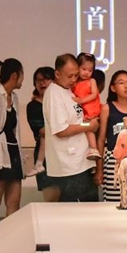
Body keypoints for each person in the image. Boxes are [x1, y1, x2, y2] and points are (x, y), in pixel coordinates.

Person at [43, 53, 99, 202]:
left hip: (81, 161)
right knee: (77, 212)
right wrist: (89, 126)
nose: (74, 80)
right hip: (70, 165)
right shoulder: (54, 94)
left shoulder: (69, 90)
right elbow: (61, 130)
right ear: (57, 73)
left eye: (76, 75)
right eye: (70, 76)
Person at [0, 59, 25, 228]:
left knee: (14, 201)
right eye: (22, 75)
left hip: (13, 152)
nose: (23, 80)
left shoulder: (13, 97)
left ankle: (10, 238)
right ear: (14, 75)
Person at [97, 70, 127, 202]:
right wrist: (99, 168)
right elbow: (101, 139)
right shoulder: (107, 108)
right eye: (121, 83)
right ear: (113, 88)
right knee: (114, 199)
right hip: (114, 159)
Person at [26, 66, 60, 202]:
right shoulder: (33, 106)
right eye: (38, 80)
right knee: (51, 199)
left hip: (63, 154)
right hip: (44, 155)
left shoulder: (60, 102)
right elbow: (43, 132)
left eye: (46, 79)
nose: (42, 83)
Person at [72, 52, 102, 160]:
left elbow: (94, 94)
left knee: (89, 129)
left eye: (90, 70)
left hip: (90, 109)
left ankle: (93, 149)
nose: (86, 73)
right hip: (81, 111)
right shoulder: (74, 83)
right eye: (84, 69)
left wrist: (82, 100)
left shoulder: (91, 81)